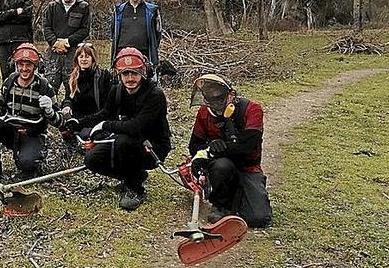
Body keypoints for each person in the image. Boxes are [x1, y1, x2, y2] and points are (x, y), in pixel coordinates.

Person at [63, 47, 171, 210]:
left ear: (143, 72)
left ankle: (135, 189)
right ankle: (133, 176)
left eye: (134, 73)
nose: (130, 78)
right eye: (125, 74)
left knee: (123, 141)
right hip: (126, 141)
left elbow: (136, 127)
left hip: (153, 147)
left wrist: (105, 125)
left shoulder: (155, 95)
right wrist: (79, 122)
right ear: (119, 74)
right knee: (92, 159)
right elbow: (105, 113)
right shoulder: (117, 90)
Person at [0, 43, 64, 184]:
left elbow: (59, 122)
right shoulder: (10, 82)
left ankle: (34, 157)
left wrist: (50, 110)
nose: (24, 69)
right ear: (16, 65)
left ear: (35, 66)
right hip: (12, 131)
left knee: (26, 165)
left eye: (29, 65)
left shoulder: (44, 87)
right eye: (21, 64)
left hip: (33, 133)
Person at [188, 74, 272, 227]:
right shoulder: (204, 113)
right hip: (221, 167)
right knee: (222, 166)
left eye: (219, 98)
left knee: (258, 219)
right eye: (210, 100)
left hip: (248, 168)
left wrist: (220, 148)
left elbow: (247, 146)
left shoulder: (252, 110)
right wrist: (208, 149)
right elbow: (194, 145)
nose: (215, 105)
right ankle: (220, 204)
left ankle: (242, 196)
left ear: (231, 95)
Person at [42, 0, 91, 98]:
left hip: (73, 52)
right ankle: (50, 112)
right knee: (50, 85)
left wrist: (67, 42)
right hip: (54, 52)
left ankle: (70, 110)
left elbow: (85, 30)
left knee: (72, 84)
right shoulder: (52, 7)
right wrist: (55, 43)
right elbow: (46, 27)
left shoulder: (83, 7)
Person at [110, 0, 162, 79]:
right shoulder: (118, 11)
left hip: (145, 57)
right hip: (122, 57)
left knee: (146, 89)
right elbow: (113, 33)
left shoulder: (152, 11)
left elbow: (157, 34)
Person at [60, 43, 114, 122]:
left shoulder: (103, 76)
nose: (84, 59)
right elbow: (68, 97)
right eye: (81, 57)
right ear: (77, 59)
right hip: (77, 118)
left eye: (87, 56)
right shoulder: (73, 77)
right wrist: (67, 106)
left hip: (98, 118)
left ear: (92, 58)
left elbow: (109, 103)